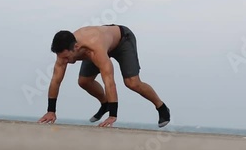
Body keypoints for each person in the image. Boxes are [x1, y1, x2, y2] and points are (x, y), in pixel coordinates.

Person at [37, 24, 170, 128]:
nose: (64, 61)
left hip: (122, 40)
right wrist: (51, 111)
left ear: (76, 47)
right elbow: (56, 81)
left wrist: (113, 115)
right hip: (104, 38)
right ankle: (105, 103)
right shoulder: (63, 54)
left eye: (66, 57)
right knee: (84, 81)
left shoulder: (94, 50)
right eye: (61, 58)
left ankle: (161, 107)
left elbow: (109, 81)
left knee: (132, 82)